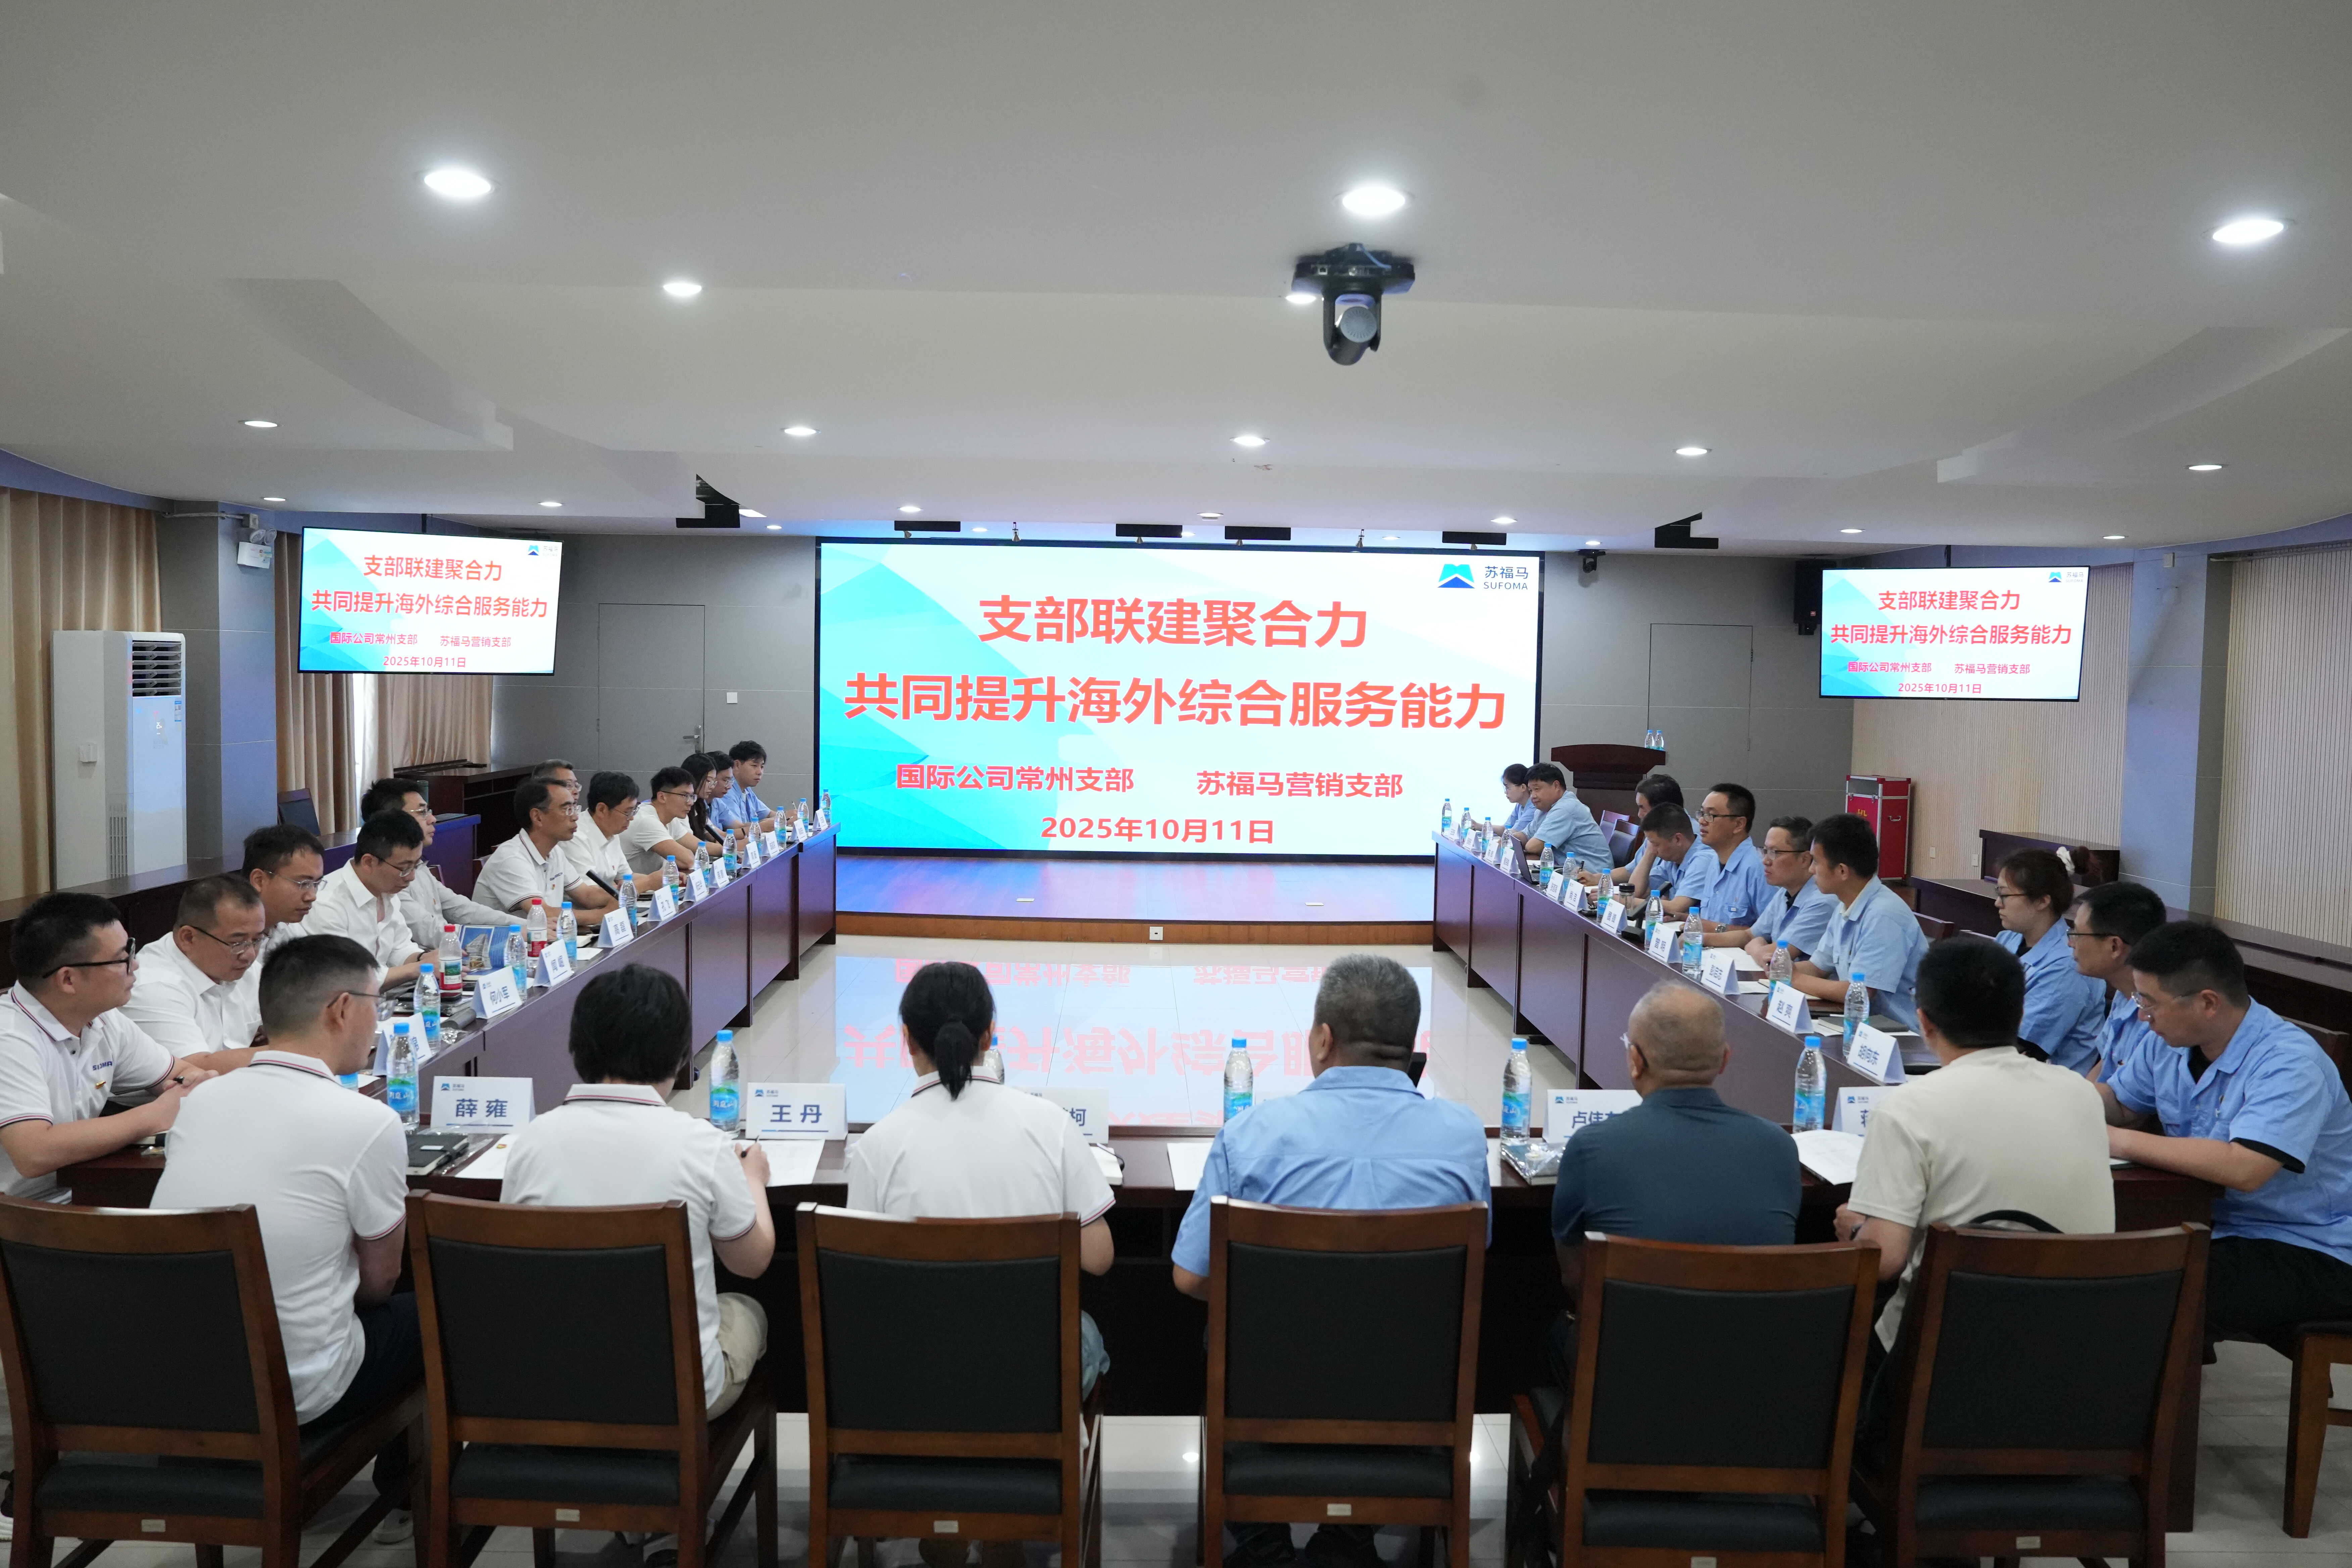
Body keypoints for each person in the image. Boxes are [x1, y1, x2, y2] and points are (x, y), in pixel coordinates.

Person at [1169, 955, 1488, 1568]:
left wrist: (1278, 1296)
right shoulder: (1462, 1137)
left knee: (1222, 1334)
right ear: (1410, 1046)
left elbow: (1191, 1277)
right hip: (1407, 1398)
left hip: (1272, 1399)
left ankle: (1262, 1545)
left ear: (1322, 1040)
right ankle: (1347, 1542)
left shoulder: (1251, 1135)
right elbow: (1467, 1273)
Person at [151, 935, 418, 1518]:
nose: (378, 1023)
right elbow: (379, 1281)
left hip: (183, 1383)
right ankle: (409, 1500)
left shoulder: (200, 1102)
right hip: (298, 1392)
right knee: (430, 1307)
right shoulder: (365, 1119)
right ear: (342, 1009)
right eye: (377, 1004)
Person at [501, 964, 773, 1419]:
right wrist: (752, 1180)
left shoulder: (531, 1142)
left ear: (579, 1049)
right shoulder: (701, 1145)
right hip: (674, 1394)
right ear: (680, 1056)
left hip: (551, 1386)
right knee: (748, 1309)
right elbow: (751, 1262)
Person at [848, 961, 1114, 1398]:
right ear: (989, 1035)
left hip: (915, 1382)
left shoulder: (876, 1147)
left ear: (907, 1039)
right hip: (1031, 1381)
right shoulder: (1051, 1126)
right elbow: (1099, 1257)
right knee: (1081, 1329)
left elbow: (862, 1279)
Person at [1836, 938, 2114, 1348]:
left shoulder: (1906, 1109)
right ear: (2020, 1014)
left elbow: (1884, 1260)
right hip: (2070, 1344)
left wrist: (1856, 1227)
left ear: (1924, 1021)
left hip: (1941, 1349)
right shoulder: (2082, 1094)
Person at [2099, 922, 2352, 1342]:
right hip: (2217, 1226)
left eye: (2150, 1001)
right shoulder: (2169, 1040)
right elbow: (2122, 1103)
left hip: (2309, 1244)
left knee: (2149, 1293)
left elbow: (2245, 1168)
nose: (2143, 1015)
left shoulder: (2289, 1062)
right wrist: (2056, 1102)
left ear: (2208, 1003)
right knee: (2104, 1267)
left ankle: (2159, 1386)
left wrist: (2115, 1139)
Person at [1547, 984, 1800, 1387]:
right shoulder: (1779, 1147)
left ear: (1636, 1061)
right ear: (1725, 1059)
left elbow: (1575, 1278)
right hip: (1752, 1377)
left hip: (1630, 1378)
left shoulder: (1594, 1147)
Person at [0, 892, 238, 1202]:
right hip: (22, 1215)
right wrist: (157, 1114)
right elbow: (34, 1153)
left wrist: (190, 1084)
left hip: (85, 1194)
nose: (135, 965)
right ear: (68, 980)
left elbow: (177, 1073)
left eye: (131, 950)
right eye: (121, 958)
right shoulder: (10, 1037)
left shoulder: (104, 1021)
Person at [1788, 813, 1927, 1030]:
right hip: (1860, 1024)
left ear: (1842, 871)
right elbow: (1817, 968)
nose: (1811, 869)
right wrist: (1781, 969)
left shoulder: (1884, 915)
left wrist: (1794, 978)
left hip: (1899, 1035)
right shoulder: (1845, 905)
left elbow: (1860, 993)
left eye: (1816, 861)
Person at [358, 777, 511, 951]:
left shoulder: (420, 868)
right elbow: (430, 931)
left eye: (429, 811)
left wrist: (520, 927)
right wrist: (505, 935)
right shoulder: (386, 877)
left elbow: (461, 909)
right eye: (422, 812)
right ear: (393, 819)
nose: (433, 819)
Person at [121, 875, 267, 1057]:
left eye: (257, 940)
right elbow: (194, 1067)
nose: (250, 955)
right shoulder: (154, 987)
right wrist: (288, 1052)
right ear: (189, 938)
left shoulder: (243, 967)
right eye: (237, 943)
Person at [1992, 849, 2108, 1073]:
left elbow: (2021, 1050)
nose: (1998, 903)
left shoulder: (2067, 965)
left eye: (2005, 895)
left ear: (2042, 902)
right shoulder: (2008, 939)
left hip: (2044, 1080)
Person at [303, 810, 425, 988]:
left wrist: (425, 959)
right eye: (404, 868)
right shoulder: (326, 902)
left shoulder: (387, 891)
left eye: (416, 865)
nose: (411, 877)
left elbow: (400, 948)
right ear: (369, 862)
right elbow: (349, 976)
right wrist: (419, 969)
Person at [474, 778, 619, 922]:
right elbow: (543, 913)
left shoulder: (555, 852)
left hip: (544, 934)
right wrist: (606, 914)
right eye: (568, 810)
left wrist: (619, 899)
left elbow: (586, 895)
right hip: (509, 936)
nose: (576, 817)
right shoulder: (511, 858)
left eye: (575, 809)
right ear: (538, 817)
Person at [2066, 881, 2170, 1081]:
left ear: (2115, 946)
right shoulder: (2124, 993)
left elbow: (2126, 1098)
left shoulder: (2157, 1021)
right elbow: (2106, 1064)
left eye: (2077, 934)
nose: (2071, 943)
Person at [1707, 816, 1834, 960]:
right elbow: (1749, 936)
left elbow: (1777, 956)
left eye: (1775, 853)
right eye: (1765, 851)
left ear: (1805, 859)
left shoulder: (1823, 901)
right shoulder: (1784, 893)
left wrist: (1756, 947)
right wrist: (1700, 939)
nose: (1765, 861)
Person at [1672, 783, 1767, 929]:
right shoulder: (1714, 862)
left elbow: (1768, 934)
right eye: (1702, 813)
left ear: (1739, 824)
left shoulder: (1759, 868)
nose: (1702, 821)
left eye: (1711, 815)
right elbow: (1711, 920)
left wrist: (1715, 930)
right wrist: (1684, 918)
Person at [1522, 763, 1610, 879]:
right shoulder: (1544, 809)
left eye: (1537, 789)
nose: (1533, 796)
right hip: (1568, 871)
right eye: (1531, 791)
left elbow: (1533, 847)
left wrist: (1517, 844)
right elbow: (1525, 835)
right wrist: (1507, 839)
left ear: (1556, 786)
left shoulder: (1566, 808)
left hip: (1592, 876)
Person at [620, 766, 705, 878]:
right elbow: (688, 860)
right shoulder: (646, 820)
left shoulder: (672, 818)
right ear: (662, 797)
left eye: (692, 796)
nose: (691, 803)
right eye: (685, 796)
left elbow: (699, 847)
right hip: (632, 885)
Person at [1607, 774, 1685, 890]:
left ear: (1661, 809)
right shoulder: (1656, 830)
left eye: (1642, 808)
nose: (1639, 814)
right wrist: (1598, 878)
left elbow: (1643, 891)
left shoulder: (1688, 838)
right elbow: (1633, 871)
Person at [570, 771, 642, 890]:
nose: (632, 818)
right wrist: (649, 883)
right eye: (627, 812)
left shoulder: (612, 832)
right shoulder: (575, 836)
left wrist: (664, 878)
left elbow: (627, 878)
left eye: (634, 811)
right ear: (602, 810)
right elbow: (591, 893)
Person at [1627, 803, 1697, 906]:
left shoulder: (1702, 860)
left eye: (1655, 844)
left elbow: (1677, 907)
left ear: (1678, 839)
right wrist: (1649, 853)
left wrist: (1624, 900)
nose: (1653, 850)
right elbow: (1636, 892)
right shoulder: (1673, 859)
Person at [710, 742, 778, 834]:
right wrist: (763, 826)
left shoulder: (746, 790)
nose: (760, 772)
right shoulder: (724, 793)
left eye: (762, 767)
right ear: (737, 765)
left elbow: (740, 827)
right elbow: (727, 834)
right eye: (754, 766)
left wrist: (782, 817)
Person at [683, 753, 728, 845]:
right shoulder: (680, 807)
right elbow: (694, 845)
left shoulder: (699, 805)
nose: (712, 787)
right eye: (708, 781)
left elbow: (716, 836)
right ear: (695, 778)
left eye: (714, 782)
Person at [1497, 764, 1539, 842]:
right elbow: (1505, 829)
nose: (1506, 792)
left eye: (1508, 788)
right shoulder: (1520, 805)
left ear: (1523, 787)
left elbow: (1512, 835)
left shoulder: (1534, 807)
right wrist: (1478, 826)